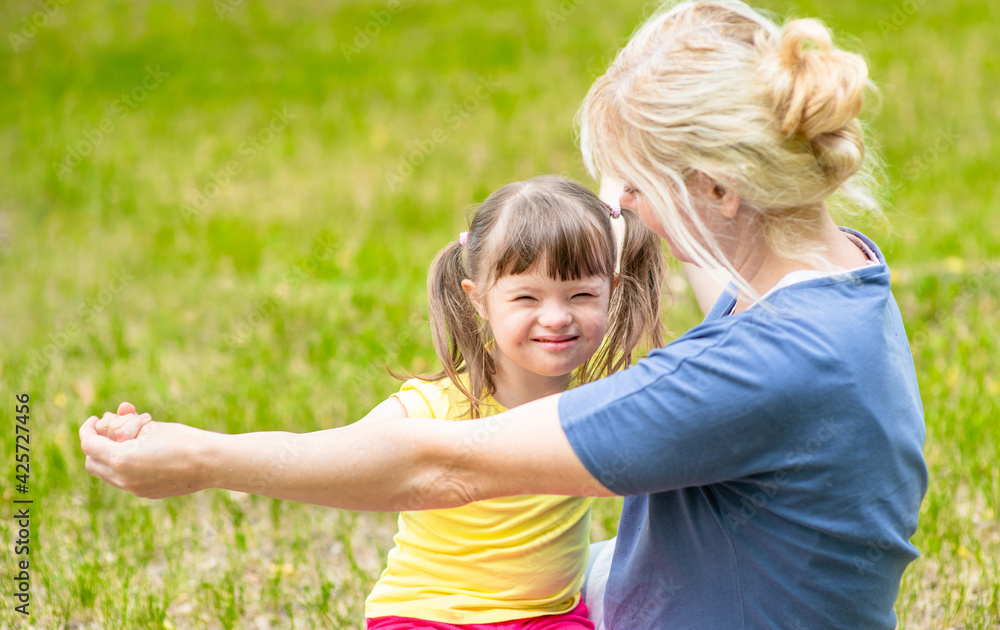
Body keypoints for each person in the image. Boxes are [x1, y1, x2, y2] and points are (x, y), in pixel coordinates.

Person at [80, 2, 929, 628]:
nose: (621, 207)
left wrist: (199, 458)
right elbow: (716, 252)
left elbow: (438, 467)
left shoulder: (753, 370)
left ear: (718, 189)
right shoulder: (829, 273)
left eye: (636, 183)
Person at [91, 176, 665, 629]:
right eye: (526, 297)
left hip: (548, 617)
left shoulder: (600, 397)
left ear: (613, 292)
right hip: (426, 617)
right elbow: (321, 453)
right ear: (480, 301)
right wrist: (197, 453)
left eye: (581, 294)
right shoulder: (433, 406)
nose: (557, 316)